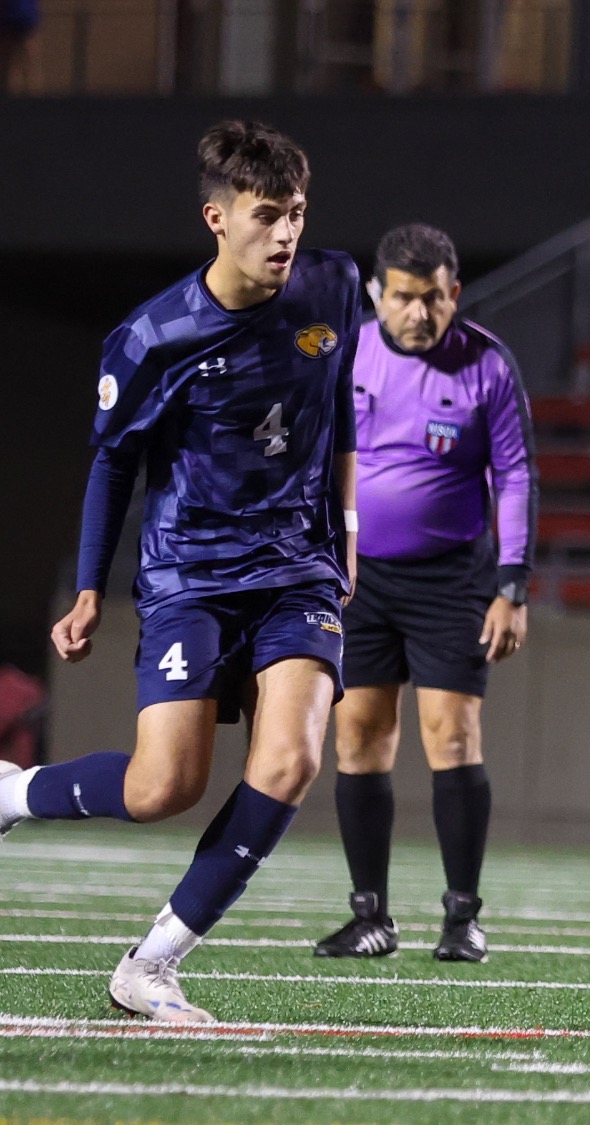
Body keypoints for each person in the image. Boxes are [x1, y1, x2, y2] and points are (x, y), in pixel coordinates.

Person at [0, 121, 362, 1023]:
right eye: (267, 215)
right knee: (165, 786)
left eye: (298, 214)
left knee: (291, 757)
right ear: (217, 216)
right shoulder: (152, 335)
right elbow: (113, 464)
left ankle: (152, 964)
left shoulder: (334, 285)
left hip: (297, 571)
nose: (286, 235)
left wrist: (347, 530)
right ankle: (10, 796)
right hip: (190, 575)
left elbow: (341, 409)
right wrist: (89, 585)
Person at [313, 222, 536, 963]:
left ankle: (461, 916)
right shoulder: (346, 351)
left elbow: (516, 477)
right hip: (360, 575)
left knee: (452, 735)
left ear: (454, 294)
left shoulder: (488, 365)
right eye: (405, 298)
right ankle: (369, 914)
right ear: (378, 293)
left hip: (452, 577)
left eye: (433, 298)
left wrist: (512, 584)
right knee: (359, 737)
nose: (419, 313)